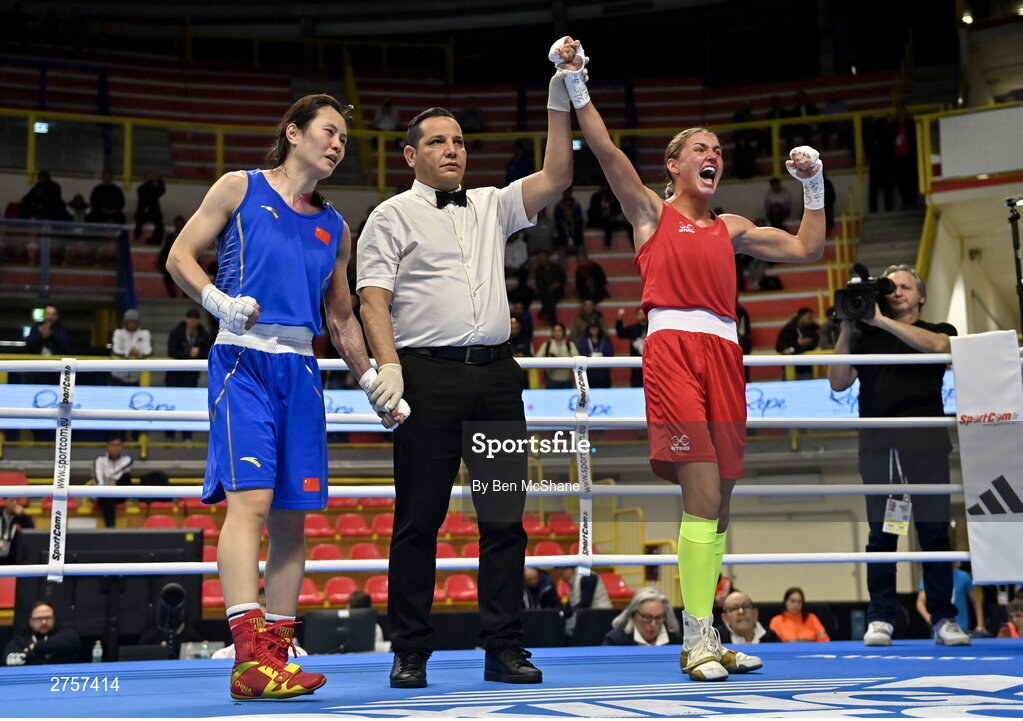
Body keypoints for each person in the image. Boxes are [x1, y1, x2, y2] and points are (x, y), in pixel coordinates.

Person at [566, 35, 826, 680]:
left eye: (717, 149)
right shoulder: (650, 213)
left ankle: (702, 635)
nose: (713, 155)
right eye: (700, 149)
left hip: (724, 354)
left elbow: (805, 251)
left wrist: (815, 184)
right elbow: (604, 149)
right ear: (675, 165)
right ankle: (699, 635)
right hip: (673, 352)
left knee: (721, 503)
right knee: (702, 495)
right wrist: (575, 81)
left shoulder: (730, 226)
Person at [167, 94, 408, 700]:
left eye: (344, 141)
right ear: (293, 133)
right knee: (249, 503)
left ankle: (273, 655)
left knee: (293, 521)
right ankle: (248, 654)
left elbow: (342, 316)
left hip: (301, 369)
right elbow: (179, 257)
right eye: (328, 132)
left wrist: (373, 379)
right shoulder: (238, 187)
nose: (336, 145)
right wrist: (217, 301)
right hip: (241, 362)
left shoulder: (335, 226)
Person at [355, 40, 575, 689]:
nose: (453, 149)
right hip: (424, 376)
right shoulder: (389, 214)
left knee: (504, 518)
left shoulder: (490, 203)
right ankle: (410, 649)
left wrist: (558, 97)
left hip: (496, 378)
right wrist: (387, 369)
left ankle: (503, 645)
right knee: (417, 519)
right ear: (411, 154)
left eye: (458, 140)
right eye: (439, 141)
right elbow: (372, 297)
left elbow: (557, 176)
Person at [827, 264, 968, 648]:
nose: (897, 291)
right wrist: (848, 325)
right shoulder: (865, 334)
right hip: (879, 445)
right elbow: (838, 382)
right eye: (891, 286)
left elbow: (942, 350)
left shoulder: (939, 330)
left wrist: (879, 321)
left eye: (905, 286)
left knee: (935, 531)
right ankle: (881, 618)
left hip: (926, 444)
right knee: (884, 533)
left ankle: (943, 618)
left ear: (920, 297)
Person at [916, 563, 985, 636]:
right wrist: (930, 618)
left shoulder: (963, 576)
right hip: (940, 627)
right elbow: (920, 602)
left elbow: (976, 601)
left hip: (962, 627)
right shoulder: (931, 577)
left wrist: (980, 625)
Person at [3, 601, 80, 666]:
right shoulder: (20, 640)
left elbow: (70, 643)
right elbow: (10, 661)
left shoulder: (66, 634)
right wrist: (44, 654)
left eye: (48, 618)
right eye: (38, 618)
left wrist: (34, 648)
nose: (44, 622)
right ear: (30, 621)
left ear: (54, 619)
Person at [602, 587, 681, 646]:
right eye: (647, 617)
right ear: (633, 614)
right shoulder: (615, 641)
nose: (653, 624)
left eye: (659, 617)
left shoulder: (676, 641)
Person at [90, 434, 132, 528]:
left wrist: (114, 482)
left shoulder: (127, 459)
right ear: (107, 446)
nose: (115, 448)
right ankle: (110, 528)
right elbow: (98, 478)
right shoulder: (99, 460)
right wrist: (106, 486)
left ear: (122, 447)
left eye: (118, 445)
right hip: (101, 493)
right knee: (108, 496)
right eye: (112, 445)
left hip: (119, 492)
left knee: (126, 477)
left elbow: (122, 473)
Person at [714, 591, 780, 646]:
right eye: (734, 608)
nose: (741, 611)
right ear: (725, 618)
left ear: (755, 613)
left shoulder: (771, 637)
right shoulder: (714, 639)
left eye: (745, 606)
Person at [109, 309, 152, 386]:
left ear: (138, 323)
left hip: (136, 376)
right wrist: (128, 353)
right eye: (130, 322)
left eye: (134, 322)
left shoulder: (145, 334)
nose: (132, 324)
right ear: (125, 322)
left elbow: (148, 351)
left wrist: (139, 354)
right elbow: (116, 350)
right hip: (118, 375)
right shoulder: (118, 333)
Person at [774, 307, 819, 380]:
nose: (811, 320)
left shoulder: (813, 328)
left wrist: (792, 349)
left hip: (806, 368)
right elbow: (780, 347)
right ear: (801, 317)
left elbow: (812, 344)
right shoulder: (788, 329)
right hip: (790, 368)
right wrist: (797, 345)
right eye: (809, 317)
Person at [536, 323, 578, 389]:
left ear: (563, 332)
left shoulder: (569, 345)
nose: (557, 333)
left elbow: (577, 361)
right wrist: (550, 361)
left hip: (567, 380)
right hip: (551, 380)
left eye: (559, 330)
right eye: (555, 331)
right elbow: (537, 360)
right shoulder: (547, 345)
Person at [587, 183, 630, 248]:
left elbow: (618, 210)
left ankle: (635, 247)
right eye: (604, 186)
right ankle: (607, 245)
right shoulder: (596, 197)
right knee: (607, 223)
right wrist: (601, 213)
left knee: (628, 225)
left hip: (611, 220)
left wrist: (612, 215)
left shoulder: (614, 197)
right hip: (598, 220)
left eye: (607, 186)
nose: (605, 188)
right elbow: (592, 211)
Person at [533, 249, 567, 324]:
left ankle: (544, 310)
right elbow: (539, 285)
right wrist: (550, 287)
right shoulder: (538, 271)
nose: (542, 259)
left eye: (543, 257)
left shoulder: (557, 267)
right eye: (540, 258)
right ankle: (553, 322)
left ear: (548, 257)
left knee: (550, 296)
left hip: (558, 292)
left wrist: (558, 285)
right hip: (545, 292)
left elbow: (564, 279)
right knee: (549, 297)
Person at [615, 307, 647, 388]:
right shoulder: (632, 329)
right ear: (637, 316)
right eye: (640, 314)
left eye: (644, 313)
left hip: (649, 363)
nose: (642, 316)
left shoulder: (653, 328)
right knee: (636, 385)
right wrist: (619, 319)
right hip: (635, 365)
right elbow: (620, 333)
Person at [134, 171, 166, 245]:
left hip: (153, 213)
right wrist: (148, 181)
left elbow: (162, 189)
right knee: (139, 221)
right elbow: (144, 191)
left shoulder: (155, 189)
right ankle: (137, 238)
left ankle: (156, 240)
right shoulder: (141, 189)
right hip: (142, 212)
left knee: (160, 224)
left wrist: (158, 179)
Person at [578, 323, 613, 388]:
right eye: (591, 328)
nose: (594, 330)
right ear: (588, 330)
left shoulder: (605, 341)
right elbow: (582, 354)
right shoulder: (584, 341)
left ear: (599, 329)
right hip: (590, 373)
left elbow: (609, 354)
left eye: (595, 328)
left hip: (604, 373)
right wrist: (591, 356)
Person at [0, 496, 33, 563]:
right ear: (5, 501)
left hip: (14, 555)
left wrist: (22, 516)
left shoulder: (24, 517)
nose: (15, 503)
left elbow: (31, 534)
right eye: (12, 500)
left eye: (17, 500)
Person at [554, 187, 584, 253]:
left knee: (581, 249)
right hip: (564, 244)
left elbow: (579, 235)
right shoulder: (558, 205)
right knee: (561, 251)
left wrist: (576, 244)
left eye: (569, 210)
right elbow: (560, 236)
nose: (568, 212)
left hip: (577, 244)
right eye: (566, 211)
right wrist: (565, 245)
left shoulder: (576, 204)